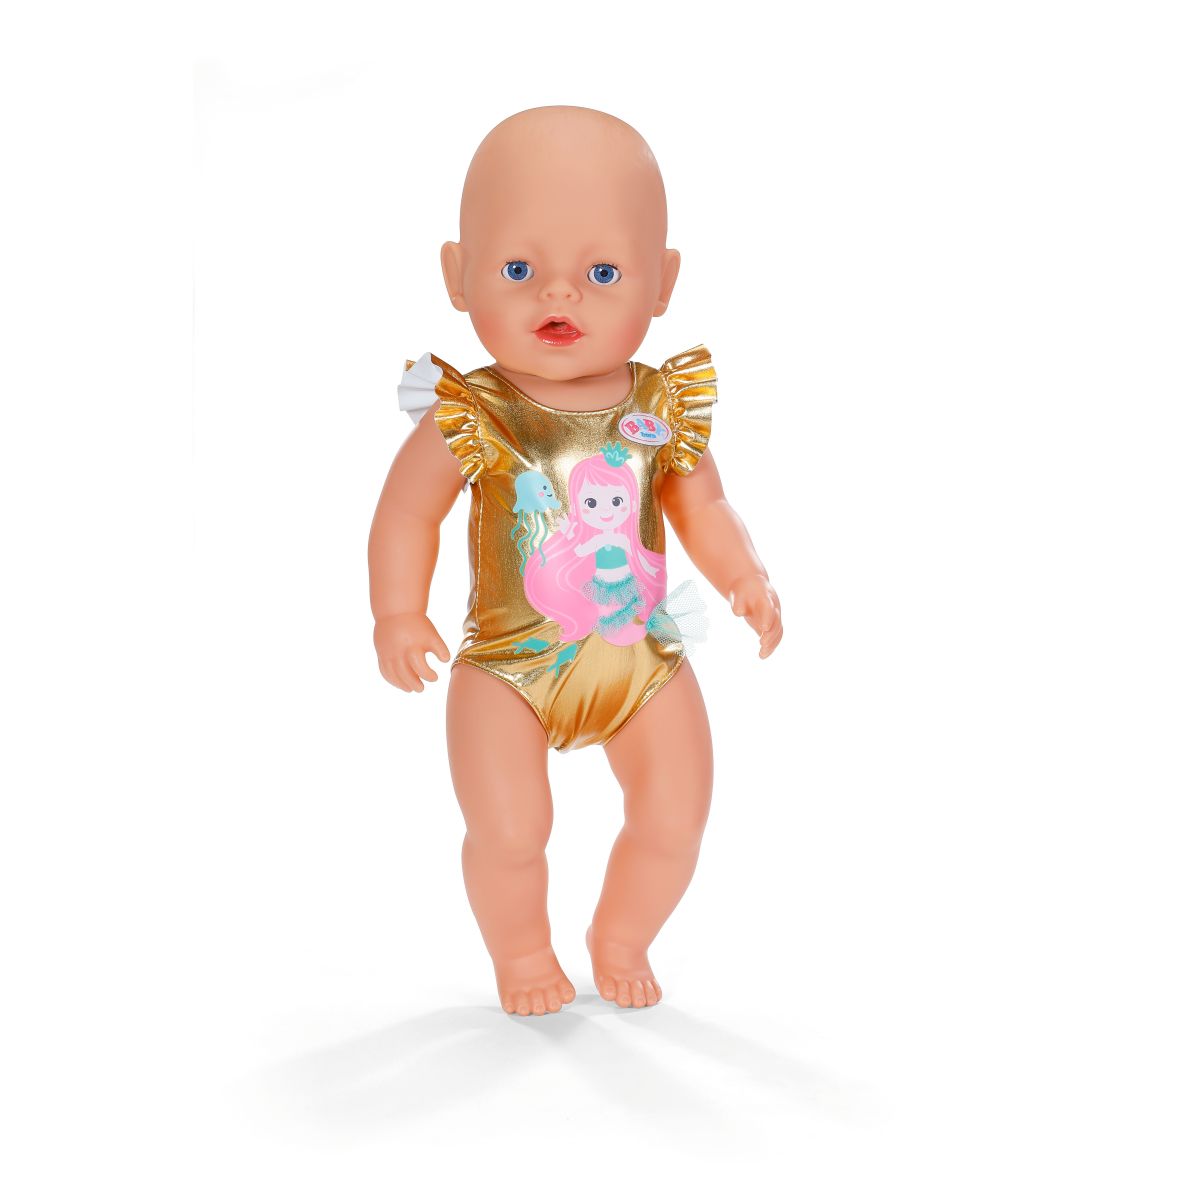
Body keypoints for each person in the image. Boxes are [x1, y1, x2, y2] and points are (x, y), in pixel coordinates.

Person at [369, 106, 783, 1016]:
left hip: (642, 656)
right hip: (509, 666)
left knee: (676, 816)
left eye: (603, 273)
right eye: (519, 271)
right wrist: (397, 611)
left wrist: (743, 575)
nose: (560, 296)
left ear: (662, 282)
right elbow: (406, 512)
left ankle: (621, 936)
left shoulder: (658, 406)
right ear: (459, 275)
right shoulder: (473, 411)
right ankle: (522, 951)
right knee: (512, 829)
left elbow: (702, 504)